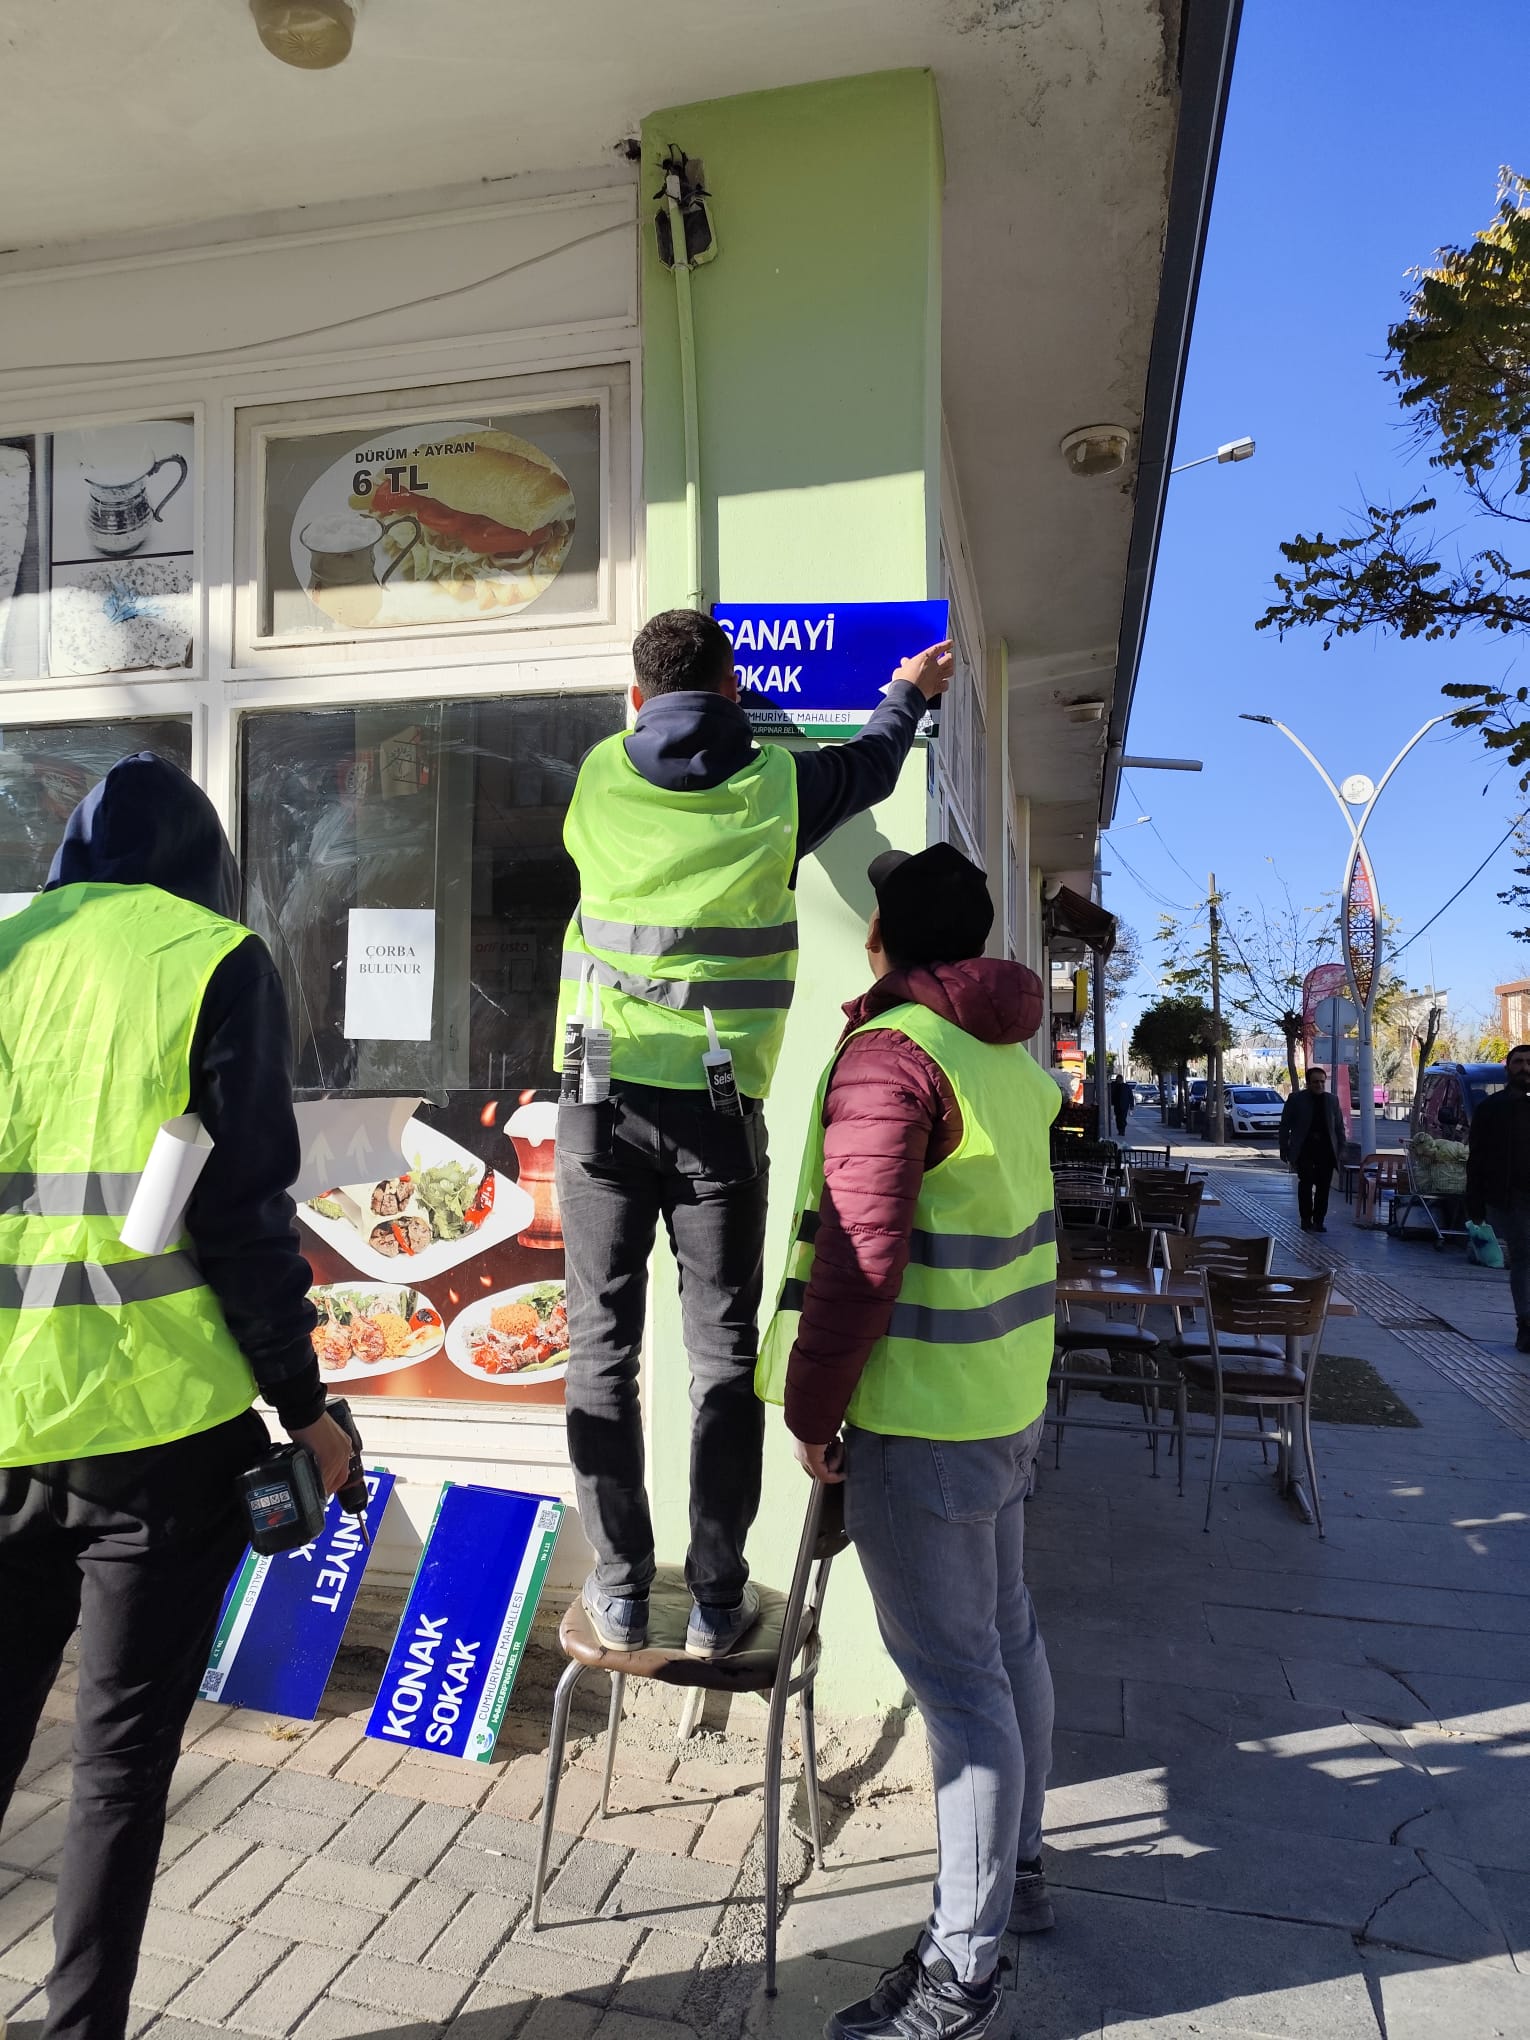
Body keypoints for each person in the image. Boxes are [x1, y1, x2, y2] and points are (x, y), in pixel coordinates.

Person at [0, 755, 351, 2040]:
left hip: (6, 1427)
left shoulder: (7, 947)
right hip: (158, 1438)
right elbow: (243, 1223)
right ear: (205, 866)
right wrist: (306, 1404)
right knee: (117, 1765)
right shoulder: (213, 960)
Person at [556, 609, 952, 1659]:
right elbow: (869, 767)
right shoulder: (778, 784)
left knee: (602, 1346)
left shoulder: (598, 773)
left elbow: (669, 734)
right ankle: (720, 1599)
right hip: (721, 1121)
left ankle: (622, 1586)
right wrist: (908, 689)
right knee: (722, 1357)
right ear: (737, 691)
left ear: (636, 698)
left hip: (598, 1105)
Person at [758, 843, 1059, 2040]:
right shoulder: (1001, 1054)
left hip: (919, 1417)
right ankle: (1018, 1877)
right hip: (1000, 1400)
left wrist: (814, 1407)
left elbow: (861, 1256)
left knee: (960, 1687)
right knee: (1007, 1640)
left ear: (889, 933)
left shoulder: (894, 1056)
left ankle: (963, 1974)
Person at [1465, 1042, 1530, 1351]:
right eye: (1518, 1062)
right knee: (1524, 1257)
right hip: (1512, 1197)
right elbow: (1476, 1157)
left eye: (1529, 1062)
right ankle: (1526, 1324)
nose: (1524, 1068)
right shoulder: (1493, 1108)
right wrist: (1474, 1201)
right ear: (1509, 1068)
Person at [1279, 1065, 1346, 1233]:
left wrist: (1342, 1149)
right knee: (1306, 1185)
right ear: (1308, 1083)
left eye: (1322, 1082)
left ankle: (1319, 1220)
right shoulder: (1296, 1099)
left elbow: (1339, 1127)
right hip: (1305, 1150)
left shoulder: (1332, 1100)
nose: (1319, 1085)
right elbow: (1284, 1126)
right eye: (1315, 1082)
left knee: (1324, 1187)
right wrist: (1284, 1148)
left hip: (1326, 1151)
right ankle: (1305, 1219)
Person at [1110, 1070, 1133, 1137]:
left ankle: (1122, 1131)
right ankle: (1120, 1130)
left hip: (1124, 1105)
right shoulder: (1114, 1085)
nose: (1119, 1080)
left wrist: (1131, 1105)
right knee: (1118, 1118)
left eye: (1120, 1079)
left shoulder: (1126, 1086)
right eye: (1117, 1079)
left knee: (1123, 1118)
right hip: (1117, 1105)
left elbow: (1130, 1096)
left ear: (1122, 1079)